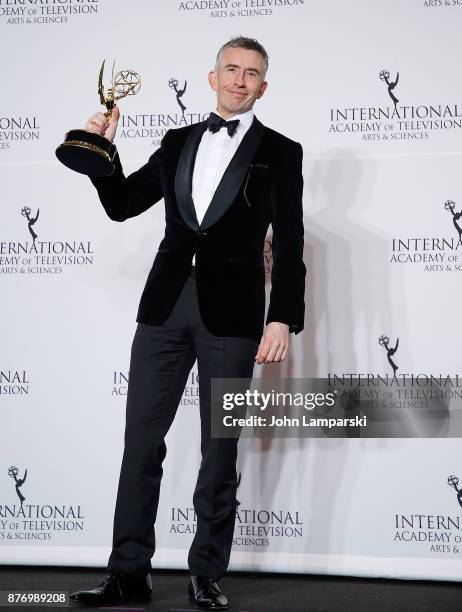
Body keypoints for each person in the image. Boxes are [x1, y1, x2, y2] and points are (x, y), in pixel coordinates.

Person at [70, 36, 306, 610]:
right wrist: (103, 154)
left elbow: (292, 241)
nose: (240, 80)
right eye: (231, 69)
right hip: (164, 309)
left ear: (263, 86)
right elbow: (123, 203)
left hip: (235, 318)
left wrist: (282, 320)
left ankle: (206, 573)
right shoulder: (176, 142)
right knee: (140, 443)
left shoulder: (282, 150)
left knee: (219, 448)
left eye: (252, 73)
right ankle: (128, 573)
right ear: (212, 76)